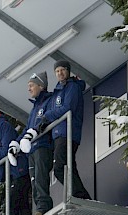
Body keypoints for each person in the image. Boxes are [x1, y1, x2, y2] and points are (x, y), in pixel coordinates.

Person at [37, 60, 91, 199]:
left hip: (68, 133)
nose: (60, 73)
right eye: (57, 71)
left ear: (68, 71)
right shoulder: (57, 91)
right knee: (69, 167)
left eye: (62, 70)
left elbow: (68, 107)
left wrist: (48, 116)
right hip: (58, 134)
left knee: (60, 168)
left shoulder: (72, 87)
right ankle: (82, 197)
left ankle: (80, 196)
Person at [8, 71, 54, 215]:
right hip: (32, 150)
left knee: (40, 178)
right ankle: (39, 210)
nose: (29, 89)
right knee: (34, 180)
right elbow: (28, 129)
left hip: (42, 145)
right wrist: (15, 144)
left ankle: (44, 207)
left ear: (41, 86)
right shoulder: (34, 108)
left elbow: (45, 121)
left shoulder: (48, 101)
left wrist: (33, 133)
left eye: (31, 85)